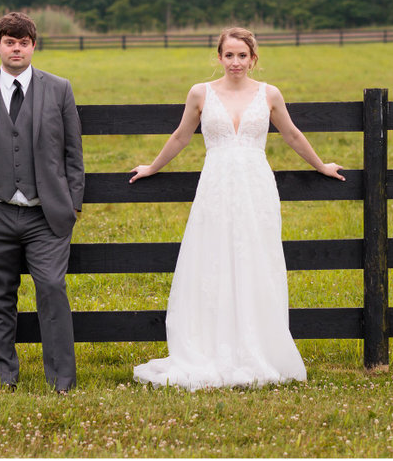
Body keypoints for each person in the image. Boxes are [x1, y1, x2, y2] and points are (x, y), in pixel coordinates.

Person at [129, 27, 345, 390]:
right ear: (219, 57)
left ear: (253, 58)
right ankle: (211, 346)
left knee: (255, 258)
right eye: (229, 55)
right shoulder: (201, 93)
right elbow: (182, 135)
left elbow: (291, 134)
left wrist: (321, 165)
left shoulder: (269, 94)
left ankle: (257, 345)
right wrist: (152, 167)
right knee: (212, 259)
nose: (235, 62)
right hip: (215, 187)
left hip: (255, 188)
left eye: (242, 55)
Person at [0, 11, 85, 393]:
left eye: (23, 42)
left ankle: (61, 380)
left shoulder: (59, 89)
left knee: (51, 289)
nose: (16, 48)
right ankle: (0, 378)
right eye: (9, 42)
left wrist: (71, 204)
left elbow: (73, 154)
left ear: (33, 46)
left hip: (45, 215)